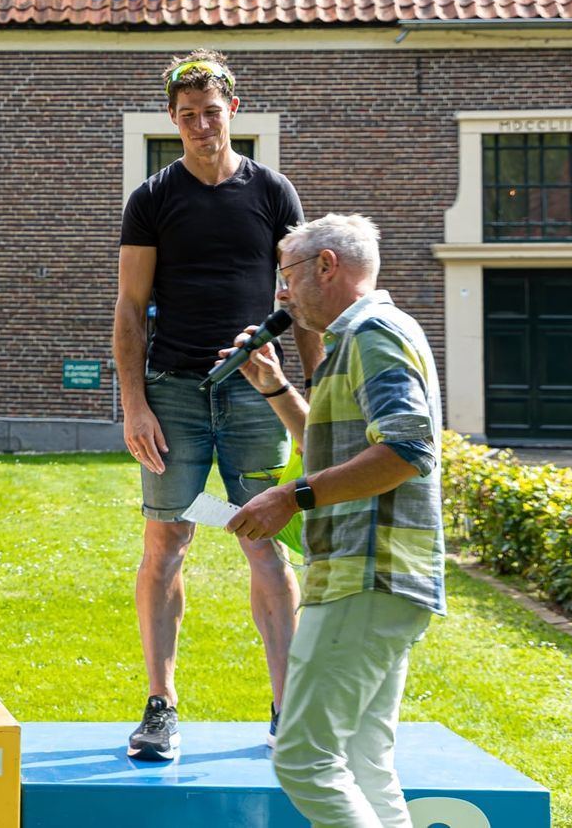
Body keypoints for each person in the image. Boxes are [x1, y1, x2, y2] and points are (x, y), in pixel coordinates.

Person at [113, 49, 323, 758]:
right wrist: (133, 402)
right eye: (188, 116)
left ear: (234, 110)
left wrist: (314, 392)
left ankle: (286, 708)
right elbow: (130, 307)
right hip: (172, 392)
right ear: (173, 121)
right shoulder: (152, 198)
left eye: (212, 112)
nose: (202, 125)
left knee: (265, 544)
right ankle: (160, 704)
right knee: (165, 543)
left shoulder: (273, 192)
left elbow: (303, 303)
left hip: (255, 391)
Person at [224, 214, 444, 828]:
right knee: (362, 759)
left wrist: (290, 497)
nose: (281, 294)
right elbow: (339, 451)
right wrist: (274, 387)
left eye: (288, 275)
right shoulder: (368, 335)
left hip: (365, 575)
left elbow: (406, 449)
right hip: (376, 577)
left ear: (327, 266)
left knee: (303, 761)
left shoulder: (373, 333)